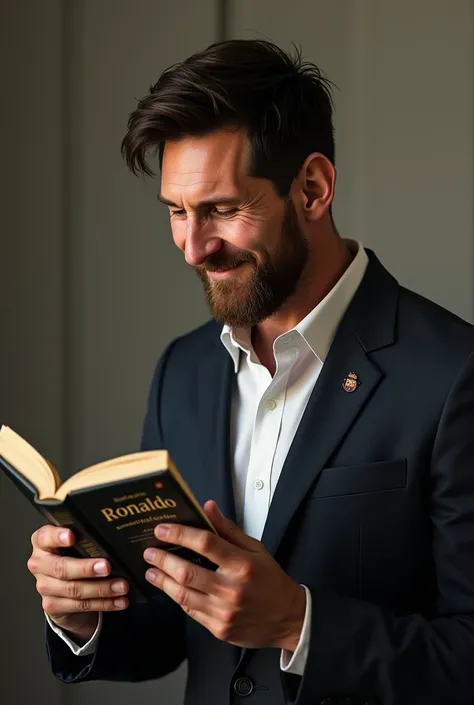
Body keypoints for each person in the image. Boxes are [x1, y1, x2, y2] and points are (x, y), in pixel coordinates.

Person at [27, 39, 474, 705]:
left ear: (313, 188)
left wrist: (299, 621)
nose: (192, 247)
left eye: (220, 209)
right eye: (176, 212)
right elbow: (169, 630)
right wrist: (81, 614)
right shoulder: (183, 371)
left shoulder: (454, 373)